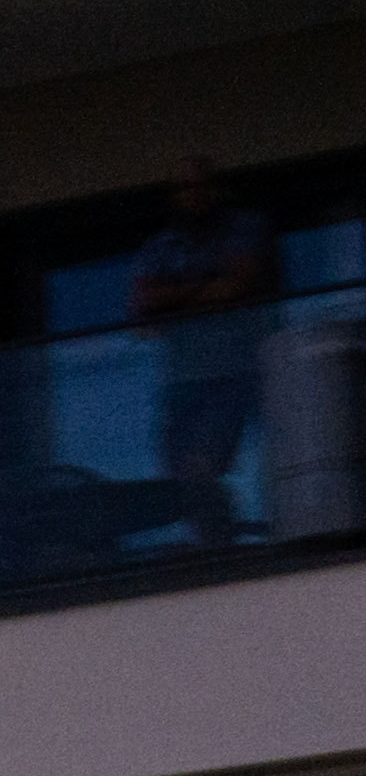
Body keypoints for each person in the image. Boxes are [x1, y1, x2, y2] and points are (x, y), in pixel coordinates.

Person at [132, 163, 280, 542]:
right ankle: (214, 539)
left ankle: (224, 540)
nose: (193, 195)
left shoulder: (245, 228)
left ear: (218, 190)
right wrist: (206, 290)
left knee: (204, 466)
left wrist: (176, 298)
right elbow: (142, 308)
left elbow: (237, 286)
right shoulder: (161, 246)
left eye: (200, 186)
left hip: (232, 373)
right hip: (181, 379)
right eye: (183, 188)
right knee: (181, 475)